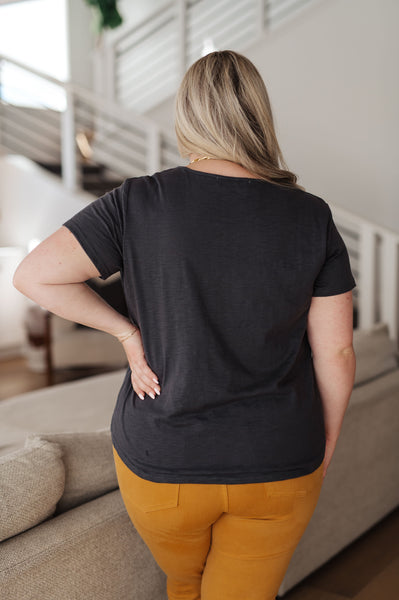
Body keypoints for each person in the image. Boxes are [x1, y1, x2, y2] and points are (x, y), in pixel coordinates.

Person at [13, 49, 356, 600]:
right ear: (258, 116)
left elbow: (35, 276)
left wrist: (127, 333)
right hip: (277, 459)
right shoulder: (312, 216)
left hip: (163, 462)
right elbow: (336, 354)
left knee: (183, 582)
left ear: (188, 116)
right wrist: (325, 441)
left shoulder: (138, 200)